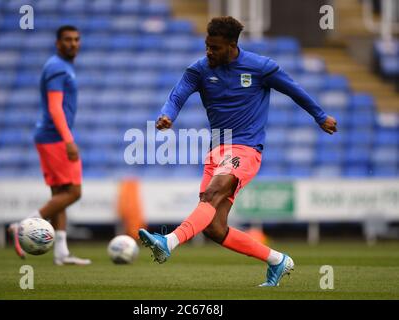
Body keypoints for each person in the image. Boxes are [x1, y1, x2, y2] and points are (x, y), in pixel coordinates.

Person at [139, 17, 337, 286]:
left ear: (232, 46)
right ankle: (278, 260)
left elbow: (295, 90)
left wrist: (320, 115)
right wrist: (167, 115)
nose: (209, 52)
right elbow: (177, 95)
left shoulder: (261, 68)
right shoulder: (198, 69)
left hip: (245, 149)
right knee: (213, 227)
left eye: (216, 48)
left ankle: (168, 242)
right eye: (207, 46)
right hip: (216, 151)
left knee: (211, 195)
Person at [8, 25, 91, 266]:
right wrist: (68, 140)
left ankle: (62, 253)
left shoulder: (63, 66)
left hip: (50, 136)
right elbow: (55, 107)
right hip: (54, 137)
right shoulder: (56, 66)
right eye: (67, 40)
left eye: (76, 39)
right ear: (57, 43)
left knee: (60, 194)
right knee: (74, 192)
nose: (73, 43)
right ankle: (23, 226)